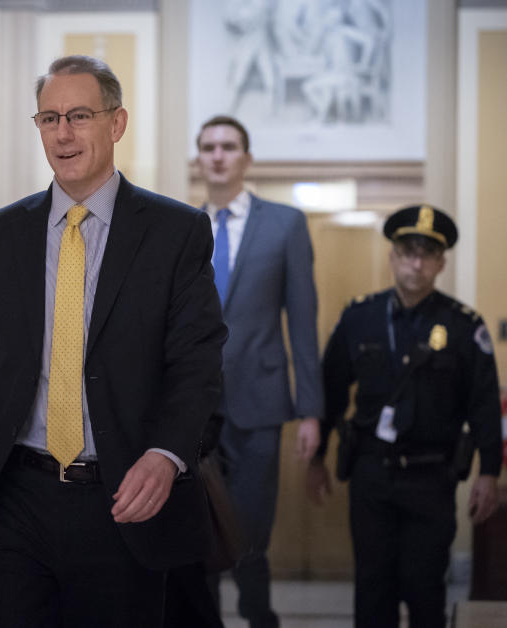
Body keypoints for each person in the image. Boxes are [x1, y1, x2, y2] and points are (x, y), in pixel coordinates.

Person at [0, 55, 227, 627]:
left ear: (117, 123)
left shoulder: (175, 233)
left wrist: (166, 456)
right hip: (11, 496)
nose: (62, 133)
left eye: (80, 115)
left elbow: (197, 364)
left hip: (120, 500)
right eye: (48, 118)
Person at [307, 205, 502, 628]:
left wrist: (489, 471)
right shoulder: (359, 317)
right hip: (371, 476)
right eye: (408, 251)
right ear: (393, 257)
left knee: (425, 587)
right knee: (373, 587)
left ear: (441, 263)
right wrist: (317, 455)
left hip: (431, 477)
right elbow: (333, 390)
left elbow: (484, 402)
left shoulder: (464, 325)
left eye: (427, 254)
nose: (416, 263)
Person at [187, 115, 323, 628]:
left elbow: (303, 321)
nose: (218, 155)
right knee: (196, 532)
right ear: (199, 158)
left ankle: (258, 615)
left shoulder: (284, 224)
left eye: (228, 146)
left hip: (260, 404)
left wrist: (310, 410)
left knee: (248, 533)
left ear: (246, 157)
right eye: (208, 147)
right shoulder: (182, 225)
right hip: (194, 410)